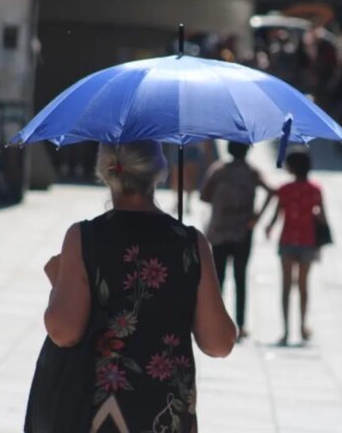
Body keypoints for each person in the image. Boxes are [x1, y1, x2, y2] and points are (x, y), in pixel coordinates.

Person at [37, 141, 236, 432]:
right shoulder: (190, 243)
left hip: (99, 413)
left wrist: (58, 286)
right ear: (159, 171)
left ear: (105, 171)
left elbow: (64, 332)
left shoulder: (85, 238)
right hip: (166, 415)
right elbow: (219, 343)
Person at [200, 142, 273, 341]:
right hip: (243, 232)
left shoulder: (218, 170)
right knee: (240, 278)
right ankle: (240, 325)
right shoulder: (252, 172)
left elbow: (204, 196)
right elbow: (272, 191)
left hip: (219, 231)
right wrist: (256, 217)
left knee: (218, 280)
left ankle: (216, 323)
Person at [265, 148, 326, 345]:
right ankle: (302, 327)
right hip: (308, 241)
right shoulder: (315, 189)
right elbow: (323, 218)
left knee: (285, 286)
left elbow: (277, 215)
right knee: (303, 286)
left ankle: (285, 330)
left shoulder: (285, 190)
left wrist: (268, 227)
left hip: (288, 240)